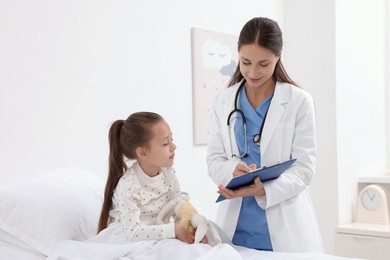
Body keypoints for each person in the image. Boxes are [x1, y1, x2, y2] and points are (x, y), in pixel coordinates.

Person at [206, 17, 324, 252]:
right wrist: (233, 170)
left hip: (285, 225)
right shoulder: (223, 101)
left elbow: (305, 169)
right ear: (238, 54)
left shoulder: (298, 101)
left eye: (263, 64)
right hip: (235, 226)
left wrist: (264, 190)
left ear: (279, 55)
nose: (252, 72)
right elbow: (213, 159)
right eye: (245, 61)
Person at [97, 111, 203, 244]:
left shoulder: (168, 174)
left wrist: (192, 231)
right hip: (130, 235)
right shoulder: (128, 186)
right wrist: (174, 230)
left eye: (172, 139)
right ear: (142, 153)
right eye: (165, 143)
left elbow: (177, 209)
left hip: (159, 230)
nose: (173, 146)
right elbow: (134, 233)